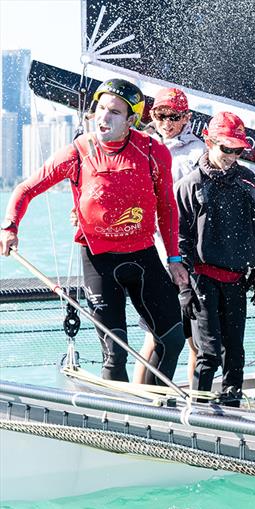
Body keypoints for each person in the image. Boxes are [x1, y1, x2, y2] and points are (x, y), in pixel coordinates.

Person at [0, 78, 187, 385]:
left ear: (131, 120)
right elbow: (26, 188)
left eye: (114, 112)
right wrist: (10, 226)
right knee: (115, 354)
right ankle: (120, 420)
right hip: (99, 262)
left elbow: (167, 207)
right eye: (100, 109)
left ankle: (155, 405)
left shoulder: (153, 152)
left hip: (143, 255)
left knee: (174, 338)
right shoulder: (78, 152)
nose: (103, 117)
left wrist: (175, 258)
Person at [175, 111, 255, 405]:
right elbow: (180, 240)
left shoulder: (247, 180)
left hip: (237, 278)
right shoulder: (191, 183)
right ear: (208, 142)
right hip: (203, 279)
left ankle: (232, 406)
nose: (231, 155)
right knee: (209, 352)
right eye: (225, 148)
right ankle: (199, 409)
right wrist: (185, 289)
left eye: (238, 150)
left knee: (235, 351)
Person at [134, 86, 206, 385]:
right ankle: (136, 400)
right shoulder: (142, 144)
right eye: (160, 115)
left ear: (187, 117)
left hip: (187, 251)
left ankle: (191, 404)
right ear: (152, 115)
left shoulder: (198, 151)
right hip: (153, 250)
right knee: (155, 332)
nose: (167, 122)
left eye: (174, 116)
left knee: (193, 338)